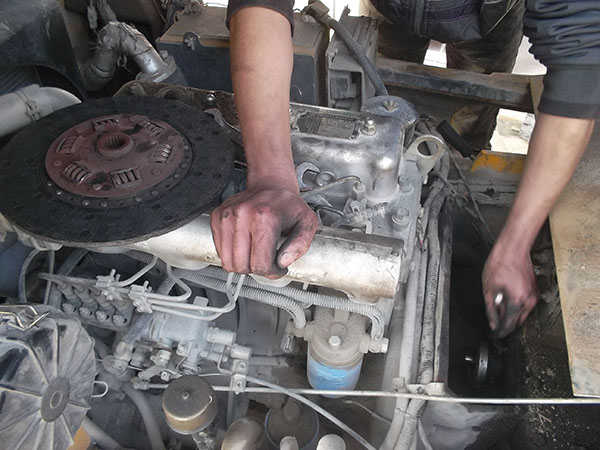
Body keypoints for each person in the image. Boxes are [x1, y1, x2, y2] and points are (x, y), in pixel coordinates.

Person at [210, 0, 598, 337]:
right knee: (380, 84)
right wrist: (271, 176)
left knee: (469, 120)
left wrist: (514, 247)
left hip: (487, 18)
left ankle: (464, 153)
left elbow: (580, 63)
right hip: (393, 10)